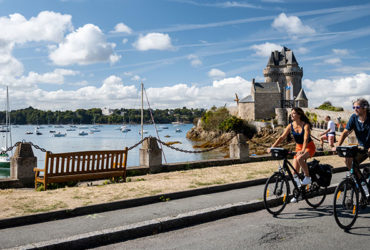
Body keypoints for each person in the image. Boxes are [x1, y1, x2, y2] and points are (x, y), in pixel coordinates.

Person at [269, 107, 316, 202]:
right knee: (295, 173)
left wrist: (303, 150)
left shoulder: (305, 125)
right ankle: (298, 192)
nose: (292, 115)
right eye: (291, 113)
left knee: (300, 158)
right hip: (298, 147)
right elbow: (282, 137)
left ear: (299, 115)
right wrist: (272, 147)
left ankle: (307, 177)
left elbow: (306, 138)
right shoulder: (290, 125)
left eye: (294, 113)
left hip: (308, 147)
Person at [337, 98, 370, 171]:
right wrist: (338, 146)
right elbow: (345, 133)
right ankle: (359, 180)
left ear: (364, 108)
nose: (355, 109)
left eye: (357, 107)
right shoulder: (354, 117)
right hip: (362, 147)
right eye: (354, 107)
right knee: (348, 160)